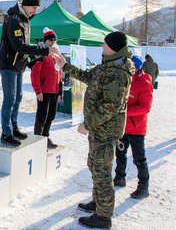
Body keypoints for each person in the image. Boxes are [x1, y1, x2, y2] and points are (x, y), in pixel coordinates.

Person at [52, 31, 134, 229]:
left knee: (102, 172)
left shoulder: (116, 71)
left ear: (113, 47)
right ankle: (98, 203)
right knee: (94, 166)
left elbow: (110, 107)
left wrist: (87, 123)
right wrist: (65, 65)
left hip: (105, 130)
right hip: (100, 130)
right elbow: (89, 76)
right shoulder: (108, 65)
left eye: (104, 44)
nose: (102, 47)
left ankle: (103, 217)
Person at [0, 0, 58, 147]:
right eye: (34, 8)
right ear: (26, 4)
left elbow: (22, 48)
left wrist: (32, 58)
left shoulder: (25, 20)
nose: (35, 12)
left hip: (18, 65)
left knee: (18, 97)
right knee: (10, 99)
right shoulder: (14, 20)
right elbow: (18, 46)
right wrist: (43, 51)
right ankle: (6, 133)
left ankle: (13, 127)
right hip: (8, 65)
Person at [113, 55, 153, 199]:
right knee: (120, 153)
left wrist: (126, 111)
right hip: (123, 125)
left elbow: (145, 107)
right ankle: (119, 177)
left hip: (136, 127)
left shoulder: (144, 83)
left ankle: (143, 187)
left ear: (136, 67)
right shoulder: (125, 79)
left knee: (139, 158)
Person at [30, 27, 62, 149]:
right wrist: (38, 90)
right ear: (45, 40)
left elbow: (58, 72)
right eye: (50, 40)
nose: (53, 42)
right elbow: (34, 73)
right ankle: (38, 138)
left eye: (54, 40)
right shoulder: (41, 53)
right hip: (44, 91)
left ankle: (45, 136)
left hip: (54, 90)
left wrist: (59, 88)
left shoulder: (55, 55)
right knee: (42, 115)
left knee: (51, 115)